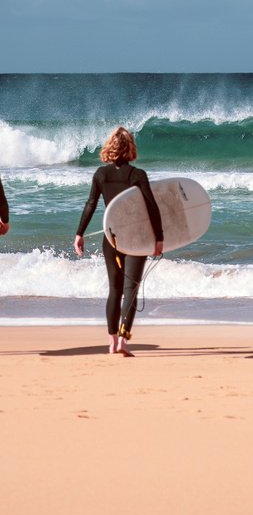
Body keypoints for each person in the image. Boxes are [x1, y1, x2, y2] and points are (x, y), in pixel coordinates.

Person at [74, 126, 164, 356]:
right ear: (130, 148)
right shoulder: (137, 175)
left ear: (109, 147)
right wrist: (159, 239)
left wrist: (79, 234)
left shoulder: (101, 174)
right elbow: (152, 208)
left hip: (111, 238)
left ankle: (112, 340)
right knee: (130, 289)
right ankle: (124, 340)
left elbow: (91, 204)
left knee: (114, 289)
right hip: (136, 239)